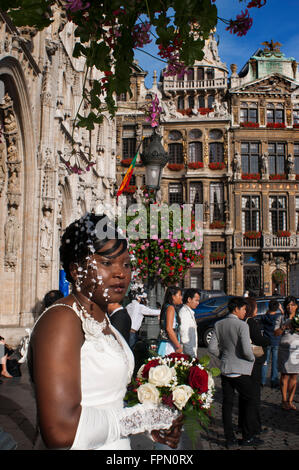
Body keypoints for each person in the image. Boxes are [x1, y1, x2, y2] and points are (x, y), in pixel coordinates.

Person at [27, 213, 183, 450]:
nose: (121, 273)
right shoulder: (62, 320)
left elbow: (108, 404)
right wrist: (143, 418)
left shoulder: (105, 322)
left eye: (127, 264)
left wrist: (151, 426)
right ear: (77, 269)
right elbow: (61, 431)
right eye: (107, 263)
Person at [208, 297, 262, 448]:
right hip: (241, 369)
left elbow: (212, 348)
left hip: (226, 369)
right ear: (236, 309)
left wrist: (223, 356)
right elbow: (246, 350)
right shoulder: (241, 325)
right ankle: (248, 435)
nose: (246, 312)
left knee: (227, 404)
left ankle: (229, 437)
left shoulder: (219, 324)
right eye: (244, 309)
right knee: (249, 401)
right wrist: (252, 358)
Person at [238, 297, 270, 438]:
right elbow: (258, 339)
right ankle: (253, 426)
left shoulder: (242, 321)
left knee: (244, 396)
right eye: (256, 307)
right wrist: (267, 340)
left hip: (243, 362)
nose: (258, 310)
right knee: (253, 396)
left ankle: (244, 424)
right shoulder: (251, 322)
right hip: (254, 361)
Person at [274, 296, 299, 411]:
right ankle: (284, 400)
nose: (290, 307)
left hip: (297, 350)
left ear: (296, 306)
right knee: (285, 375)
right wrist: (284, 327)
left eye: (292, 305)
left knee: (294, 375)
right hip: (284, 349)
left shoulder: (298, 318)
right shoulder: (281, 318)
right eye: (288, 305)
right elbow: (276, 333)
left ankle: (290, 400)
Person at [261, 300, 283, 388]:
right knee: (275, 362)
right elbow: (286, 318)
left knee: (265, 362)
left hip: (266, 341)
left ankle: (262, 381)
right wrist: (281, 309)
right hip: (276, 341)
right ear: (277, 308)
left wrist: (268, 310)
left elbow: (266, 316)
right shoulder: (278, 317)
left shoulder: (264, 317)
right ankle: (274, 381)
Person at [157, 286, 183, 357]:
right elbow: (169, 329)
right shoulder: (170, 308)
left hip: (168, 343)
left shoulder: (167, 306)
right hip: (169, 345)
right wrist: (178, 346)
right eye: (180, 295)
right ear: (173, 297)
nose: (181, 297)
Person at [178, 288, 200, 358]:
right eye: (196, 300)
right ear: (189, 299)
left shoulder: (189, 312)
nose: (198, 303)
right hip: (187, 355)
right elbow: (185, 336)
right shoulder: (185, 313)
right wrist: (192, 356)